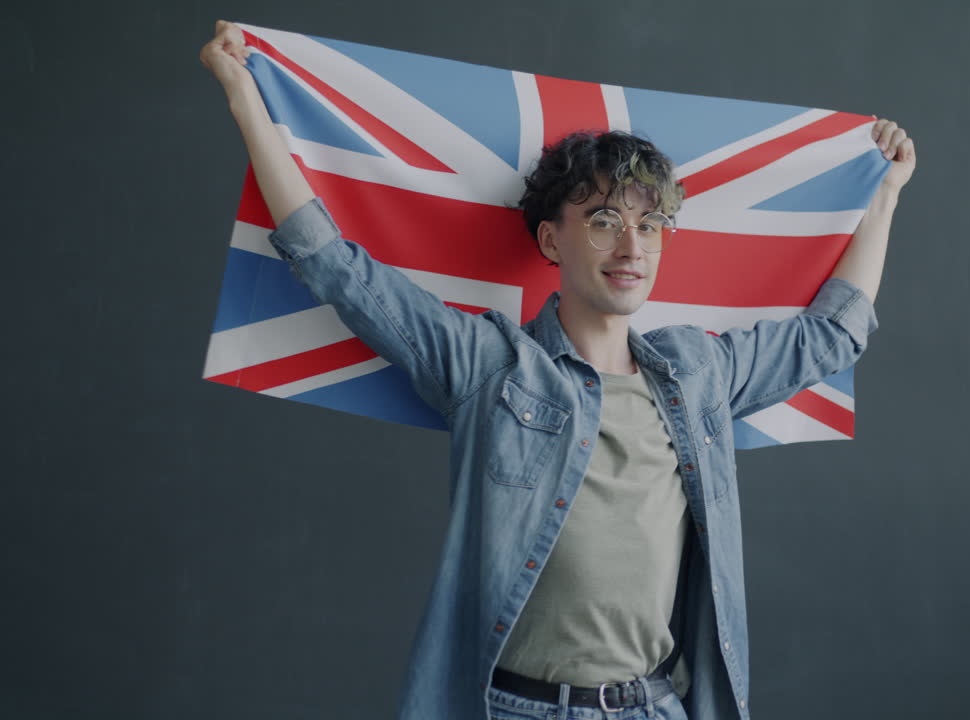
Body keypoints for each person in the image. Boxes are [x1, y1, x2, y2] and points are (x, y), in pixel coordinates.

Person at [200, 18, 916, 720]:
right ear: (551, 240)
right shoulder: (492, 367)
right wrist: (245, 98)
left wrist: (884, 193)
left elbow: (833, 333)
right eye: (603, 220)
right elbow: (334, 266)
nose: (631, 246)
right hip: (520, 708)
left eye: (650, 225)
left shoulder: (698, 374)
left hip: (653, 706)